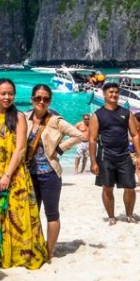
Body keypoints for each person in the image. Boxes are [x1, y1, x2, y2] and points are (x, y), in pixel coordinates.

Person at [0, 78, 48, 269]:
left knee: (16, 214)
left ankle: (18, 255)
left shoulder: (18, 117)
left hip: (15, 173)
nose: (7, 97)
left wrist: (7, 175)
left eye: (10, 93)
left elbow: (20, 150)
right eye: (3, 93)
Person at [24, 84, 86, 259]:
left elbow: (80, 135)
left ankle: (49, 251)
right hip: (29, 175)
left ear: (50, 101)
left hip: (50, 174)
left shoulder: (56, 121)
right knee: (31, 213)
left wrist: (59, 149)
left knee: (51, 214)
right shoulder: (25, 117)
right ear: (32, 99)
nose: (41, 102)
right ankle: (33, 247)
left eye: (45, 99)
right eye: (38, 98)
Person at [88, 82, 140, 225]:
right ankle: (111, 217)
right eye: (110, 92)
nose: (114, 95)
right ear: (104, 94)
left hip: (124, 156)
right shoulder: (97, 115)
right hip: (105, 157)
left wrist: (139, 156)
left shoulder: (126, 114)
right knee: (107, 187)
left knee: (130, 187)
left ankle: (129, 215)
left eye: (116, 92)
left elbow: (135, 135)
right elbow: (92, 140)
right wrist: (93, 162)